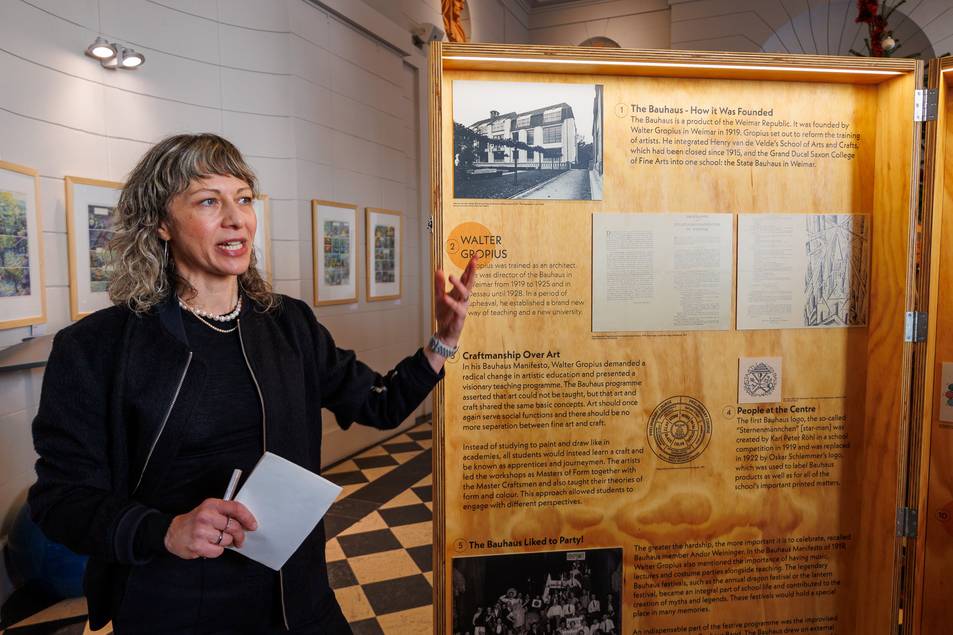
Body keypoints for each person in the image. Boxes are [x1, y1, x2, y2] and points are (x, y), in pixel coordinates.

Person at [27, 133, 477, 633]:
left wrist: (443, 339)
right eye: (207, 201)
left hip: (298, 598)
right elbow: (60, 500)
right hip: (176, 606)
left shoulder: (290, 325)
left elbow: (382, 404)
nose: (235, 217)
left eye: (243, 198)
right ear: (160, 224)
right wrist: (166, 529)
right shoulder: (96, 347)